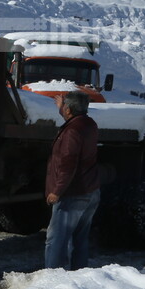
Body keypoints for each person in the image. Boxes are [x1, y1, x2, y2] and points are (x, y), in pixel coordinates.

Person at [45, 90, 100, 270]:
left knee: (56, 240)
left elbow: (68, 164)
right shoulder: (88, 124)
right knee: (80, 239)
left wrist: (57, 191)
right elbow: (73, 120)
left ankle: (53, 278)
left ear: (69, 109)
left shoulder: (72, 131)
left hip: (72, 193)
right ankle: (78, 275)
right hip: (90, 191)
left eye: (65, 108)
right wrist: (64, 109)